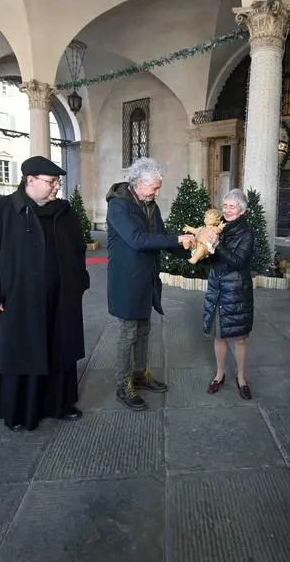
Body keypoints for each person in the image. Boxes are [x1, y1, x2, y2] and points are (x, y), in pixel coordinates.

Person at [0, 155, 89, 431]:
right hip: (18, 299)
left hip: (61, 298)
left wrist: (79, 282)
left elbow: (77, 250)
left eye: (58, 182)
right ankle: (21, 412)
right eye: (51, 182)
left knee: (59, 350)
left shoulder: (64, 212)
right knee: (23, 352)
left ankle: (60, 404)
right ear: (30, 180)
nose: (56, 187)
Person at [106, 157, 195, 410]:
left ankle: (139, 374)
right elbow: (137, 239)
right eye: (154, 187)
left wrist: (192, 252)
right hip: (126, 280)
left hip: (147, 277)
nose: (157, 192)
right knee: (128, 333)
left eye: (158, 187)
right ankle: (123, 386)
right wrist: (177, 240)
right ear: (137, 183)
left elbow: (161, 237)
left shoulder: (150, 205)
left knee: (144, 330)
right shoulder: (119, 206)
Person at [203, 189, 255, 399]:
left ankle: (242, 378)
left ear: (242, 211)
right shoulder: (218, 229)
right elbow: (212, 260)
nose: (227, 210)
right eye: (225, 206)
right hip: (217, 287)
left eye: (232, 206)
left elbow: (237, 261)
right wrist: (205, 251)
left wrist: (217, 245)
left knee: (239, 339)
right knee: (219, 335)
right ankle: (219, 374)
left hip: (236, 290)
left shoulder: (247, 233)